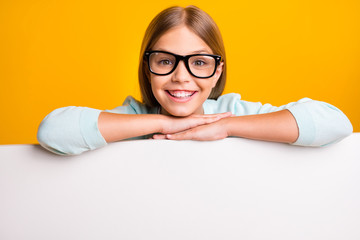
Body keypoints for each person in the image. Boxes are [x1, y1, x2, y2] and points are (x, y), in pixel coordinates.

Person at [37, 5, 353, 155]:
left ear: (217, 71)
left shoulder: (232, 111)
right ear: (148, 68)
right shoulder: (134, 118)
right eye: (165, 61)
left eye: (198, 62)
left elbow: (335, 123)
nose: (180, 76)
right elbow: (54, 131)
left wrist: (224, 127)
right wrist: (163, 125)